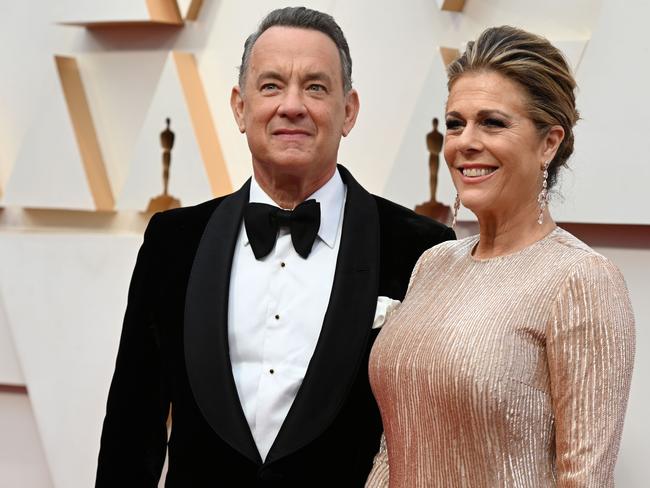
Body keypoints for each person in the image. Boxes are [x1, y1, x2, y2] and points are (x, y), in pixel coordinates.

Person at [95, 7, 454, 487]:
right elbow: (132, 427)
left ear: (348, 111)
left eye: (315, 87)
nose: (292, 105)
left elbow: (435, 439)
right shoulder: (172, 241)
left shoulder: (421, 249)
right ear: (240, 108)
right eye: (270, 86)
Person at [366, 26, 635, 487]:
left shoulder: (581, 280)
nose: (465, 142)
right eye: (455, 123)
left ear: (549, 142)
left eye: (492, 122)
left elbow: (585, 479)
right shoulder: (433, 264)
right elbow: (394, 448)